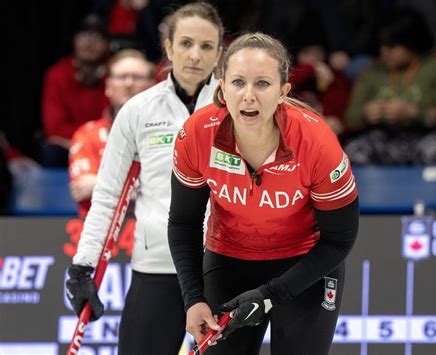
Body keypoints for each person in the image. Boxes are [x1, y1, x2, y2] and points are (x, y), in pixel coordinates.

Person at [168, 32, 359, 355]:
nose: (249, 96)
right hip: (228, 260)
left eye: (263, 84)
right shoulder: (197, 135)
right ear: (222, 85)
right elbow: (184, 222)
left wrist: (270, 294)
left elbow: (339, 240)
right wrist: (194, 300)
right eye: (238, 82)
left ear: (283, 91)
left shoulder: (316, 142)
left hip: (305, 266)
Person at [65, 2, 224, 354]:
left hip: (223, 268)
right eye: (185, 43)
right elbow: (107, 195)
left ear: (219, 52)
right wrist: (83, 266)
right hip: (158, 266)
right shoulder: (138, 110)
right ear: (167, 47)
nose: (195, 55)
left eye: (206, 46)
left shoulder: (236, 108)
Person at [344, 8, 436, 165]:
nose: (384, 52)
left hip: (428, 135)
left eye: (392, 46)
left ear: (412, 43)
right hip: (386, 137)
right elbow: (351, 119)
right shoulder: (372, 71)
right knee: (355, 151)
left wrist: (415, 113)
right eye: (382, 45)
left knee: (434, 150)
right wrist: (366, 114)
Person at [69, 49, 156, 218]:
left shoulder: (171, 134)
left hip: (152, 233)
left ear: (153, 86)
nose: (129, 83)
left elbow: (168, 193)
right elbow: (83, 191)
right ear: (108, 86)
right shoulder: (87, 134)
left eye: (137, 77)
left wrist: (98, 184)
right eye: (121, 77)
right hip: (99, 233)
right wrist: (143, 189)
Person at [41, 14, 110, 167]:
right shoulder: (57, 74)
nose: (90, 42)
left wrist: (94, 141)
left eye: (98, 36)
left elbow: (115, 123)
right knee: (51, 151)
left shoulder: (115, 73)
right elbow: (54, 128)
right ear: (74, 40)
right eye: (83, 34)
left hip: (108, 145)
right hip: (68, 145)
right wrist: (87, 141)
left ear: (107, 44)